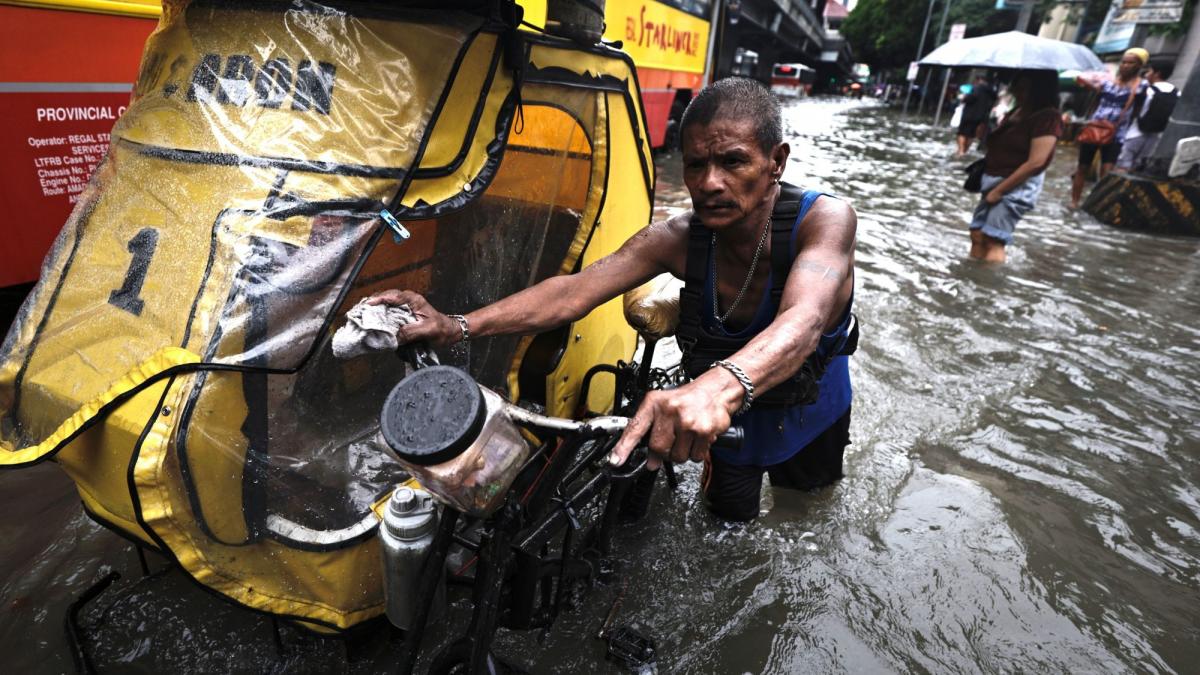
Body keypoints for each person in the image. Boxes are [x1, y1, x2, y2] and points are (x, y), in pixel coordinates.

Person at [368, 78, 858, 522]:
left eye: (732, 161)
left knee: (808, 508)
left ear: (776, 161)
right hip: (728, 423)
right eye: (695, 164)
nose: (710, 183)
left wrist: (712, 388)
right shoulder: (677, 239)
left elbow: (805, 319)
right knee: (728, 522)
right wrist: (457, 325)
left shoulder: (824, 221)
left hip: (813, 410)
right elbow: (572, 292)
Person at [968, 70, 1062, 263]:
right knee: (977, 234)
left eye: (1025, 88)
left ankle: (988, 280)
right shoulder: (1017, 110)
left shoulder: (1048, 117)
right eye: (1017, 86)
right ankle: (971, 274)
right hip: (994, 178)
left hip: (1015, 185)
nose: (1018, 92)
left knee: (993, 239)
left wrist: (1000, 191)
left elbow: (1036, 162)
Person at [1071, 48, 1147, 208]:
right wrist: (1087, 122)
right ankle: (1074, 202)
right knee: (1082, 167)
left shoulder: (1141, 86)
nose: (1125, 65)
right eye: (1124, 62)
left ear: (1139, 66)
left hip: (1117, 133)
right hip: (1094, 128)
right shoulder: (1106, 80)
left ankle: (1097, 204)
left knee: (1107, 171)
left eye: (1131, 63)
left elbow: (1138, 110)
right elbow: (1095, 102)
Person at [1117, 60, 1177, 172]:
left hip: (1135, 133)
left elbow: (1134, 110)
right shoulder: (1177, 93)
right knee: (1139, 168)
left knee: (1122, 167)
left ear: (1157, 73)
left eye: (1149, 71)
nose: (1146, 74)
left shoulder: (1147, 90)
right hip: (1155, 136)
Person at [957, 76, 995, 156]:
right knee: (971, 135)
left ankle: (961, 151)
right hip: (981, 116)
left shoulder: (975, 88)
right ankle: (965, 151)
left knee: (962, 133)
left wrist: (964, 98)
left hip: (969, 115)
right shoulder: (991, 91)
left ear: (978, 80)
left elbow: (970, 98)